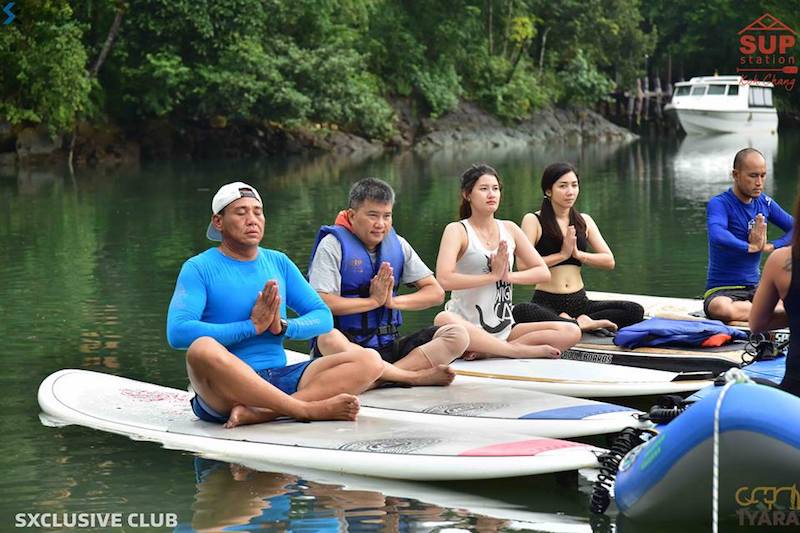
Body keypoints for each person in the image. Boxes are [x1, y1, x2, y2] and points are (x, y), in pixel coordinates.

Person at [167, 181, 387, 429]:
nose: (252, 219)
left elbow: (323, 316)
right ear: (218, 222)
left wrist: (283, 327)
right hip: (224, 392)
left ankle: (262, 413)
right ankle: (303, 408)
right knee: (202, 349)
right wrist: (251, 326)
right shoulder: (198, 268)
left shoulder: (278, 262)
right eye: (241, 213)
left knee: (370, 361)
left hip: (279, 378)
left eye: (257, 212)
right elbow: (178, 332)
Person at [308, 178, 468, 383]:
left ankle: (378, 379)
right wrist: (372, 302)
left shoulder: (398, 245)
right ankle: (409, 376)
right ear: (351, 215)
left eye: (387, 216)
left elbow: (435, 293)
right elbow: (322, 302)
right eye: (372, 215)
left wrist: (392, 302)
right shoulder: (332, 246)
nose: (380, 224)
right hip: (350, 348)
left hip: (389, 346)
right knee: (327, 338)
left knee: (457, 335)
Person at [434, 163, 581, 359]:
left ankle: (490, 350)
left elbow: (542, 272)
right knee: (442, 319)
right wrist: (492, 277)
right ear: (467, 195)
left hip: (505, 330)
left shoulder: (509, 229)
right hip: (466, 328)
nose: (491, 194)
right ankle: (513, 350)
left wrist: (507, 276)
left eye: (495, 189)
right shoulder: (457, 230)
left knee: (572, 331)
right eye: (484, 189)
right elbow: (444, 280)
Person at [516, 162, 644, 332]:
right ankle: (578, 324)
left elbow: (609, 261)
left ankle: (575, 323)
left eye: (574, 185)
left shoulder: (584, 221)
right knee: (522, 311)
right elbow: (522, 266)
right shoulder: (533, 220)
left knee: (634, 310)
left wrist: (578, 254)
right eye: (563, 186)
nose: (570, 191)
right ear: (548, 190)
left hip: (580, 301)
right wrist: (562, 255)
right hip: (546, 301)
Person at [705, 148, 793, 323]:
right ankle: (773, 313)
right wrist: (749, 247)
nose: (759, 182)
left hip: (757, 289)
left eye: (763, 175)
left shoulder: (765, 203)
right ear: (736, 175)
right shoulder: (720, 203)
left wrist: (773, 246)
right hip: (722, 291)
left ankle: (767, 311)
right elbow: (717, 234)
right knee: (720, 309)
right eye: (753, 176)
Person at [749, 193, 800, 397]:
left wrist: (795, 313)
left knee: (734, 386)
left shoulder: (781, 261)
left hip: (795, 394)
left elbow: (757, 324)